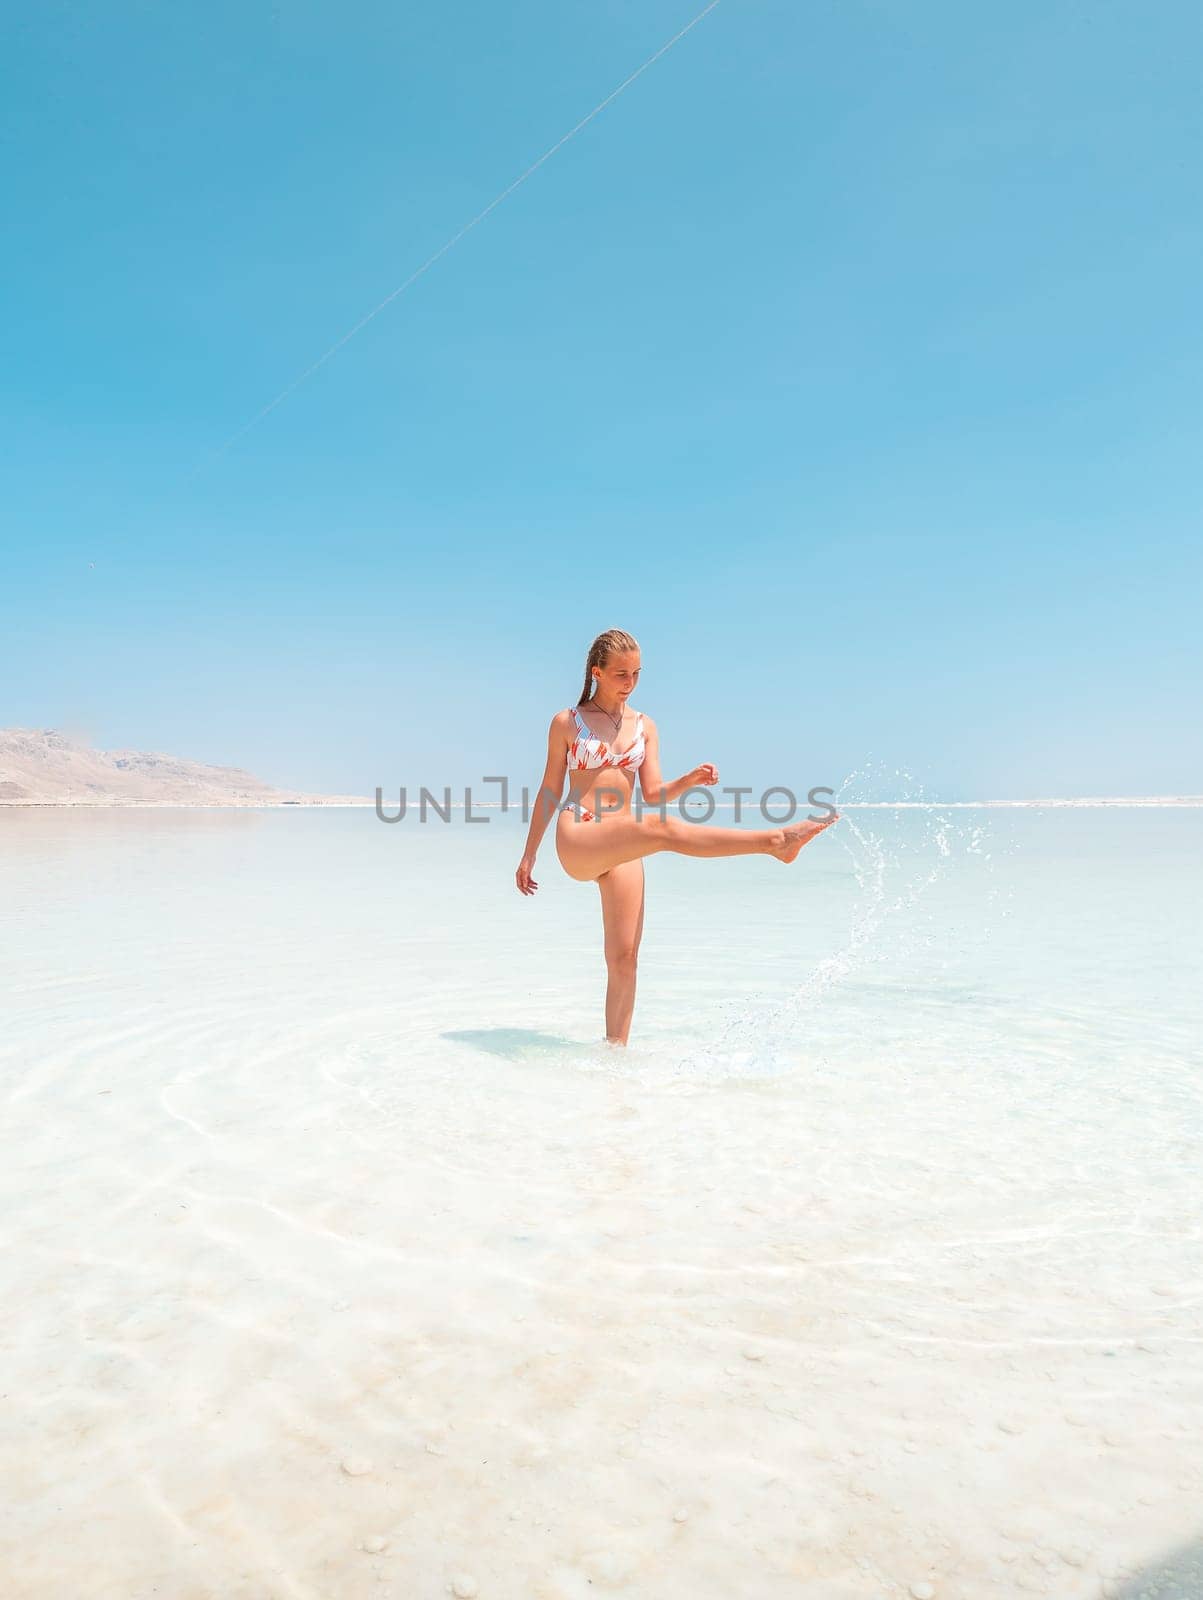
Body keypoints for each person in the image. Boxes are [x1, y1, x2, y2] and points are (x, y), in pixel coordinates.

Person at [514, 629, 838, 1046]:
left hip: (624, 841)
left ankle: (615, 1061)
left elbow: (653, 794)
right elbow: (549, 790)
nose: (629, 683)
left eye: (636, 674)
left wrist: (690, 780)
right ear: (597, 672)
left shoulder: (645, 726)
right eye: (620, 674)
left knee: (626, 958)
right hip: (580, 832)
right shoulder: (567, 723)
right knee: (662, 829)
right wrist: (529, 856)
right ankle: (776, 842)